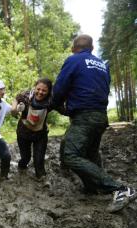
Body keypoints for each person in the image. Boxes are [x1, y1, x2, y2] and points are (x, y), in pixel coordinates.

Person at [52, 34, 136, 213]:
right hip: (100, 116)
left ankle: (120, 189)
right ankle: (92, 188)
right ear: (92, 48)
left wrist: (52, 104)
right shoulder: (102, 66)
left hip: (85, 116)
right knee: (90, 154)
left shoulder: (74, 60)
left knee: (71, 155)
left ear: (74, 48)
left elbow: (60, 88)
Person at [11, 78, 55, 186]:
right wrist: (13, 109)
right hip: (23, 133)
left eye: (44, 91)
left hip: (40, 134)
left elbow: (63, 109)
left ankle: (42, 177)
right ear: (35, 88)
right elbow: (16, 98)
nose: (40, 92)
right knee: (25, 158)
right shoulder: (26, 96)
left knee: (39, 159)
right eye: (38, 89)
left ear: (49, 91)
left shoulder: (51, 101)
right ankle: (21, 167)